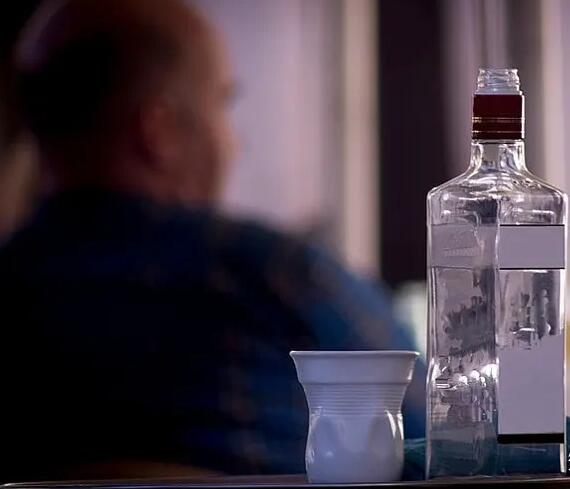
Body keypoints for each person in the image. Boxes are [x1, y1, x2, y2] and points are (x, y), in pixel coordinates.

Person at [0, 0, 425, 482]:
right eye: (222, 104)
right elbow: (437, 435)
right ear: (158, 131)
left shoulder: (11, 289)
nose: (234, 142)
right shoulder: (277, 277)